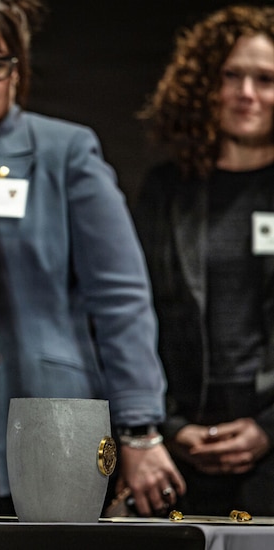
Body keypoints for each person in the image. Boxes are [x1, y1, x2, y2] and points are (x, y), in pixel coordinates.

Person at [0, 0, 184, 519]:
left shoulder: (65, 151)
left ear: (17, 69)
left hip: (51, 413)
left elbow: (121, 297)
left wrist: (138, 429)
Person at [134, 5, 274, 516]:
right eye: (231, 75)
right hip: (181, 445)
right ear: (203, 86)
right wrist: (168, 427)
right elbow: (134, 312)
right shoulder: (166, 191)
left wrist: (268, 428)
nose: (247, 94)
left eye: (265, 79)